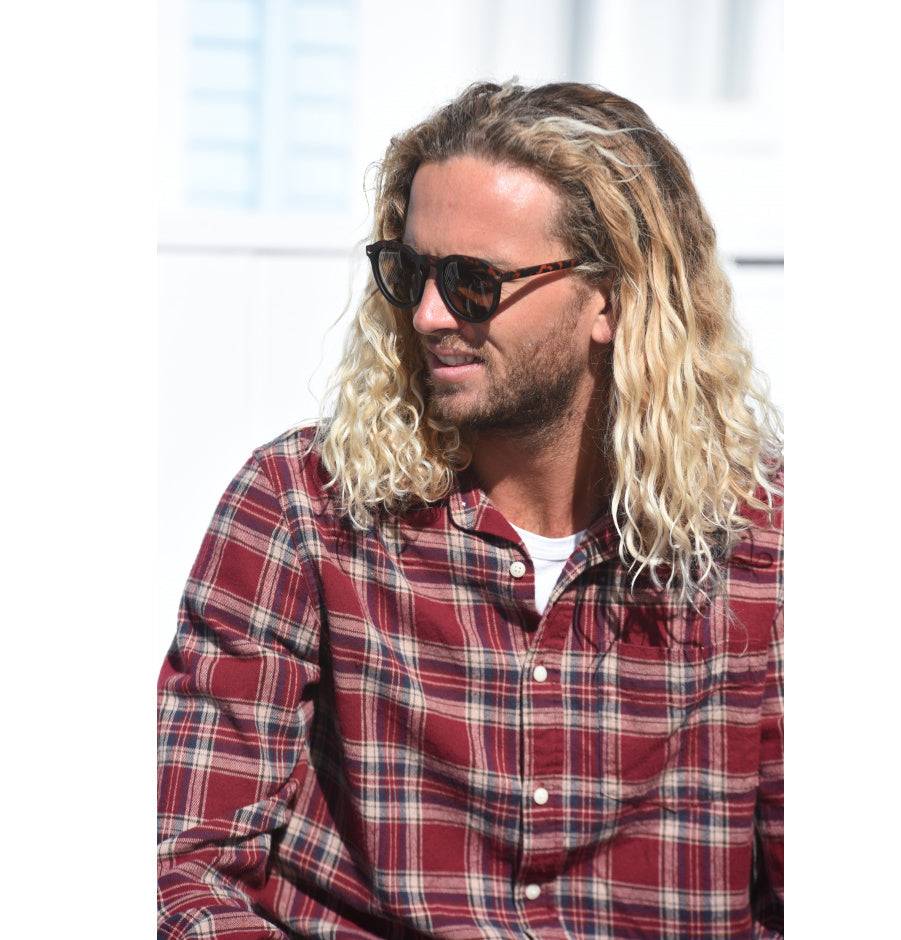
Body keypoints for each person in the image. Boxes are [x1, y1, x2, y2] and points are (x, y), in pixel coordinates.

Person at [157, 80, 783, 939]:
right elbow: (183, 869)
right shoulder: (301, 509)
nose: (427, 314)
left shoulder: (766, 549)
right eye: (412, 272)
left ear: (610, 298)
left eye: (473, 281)